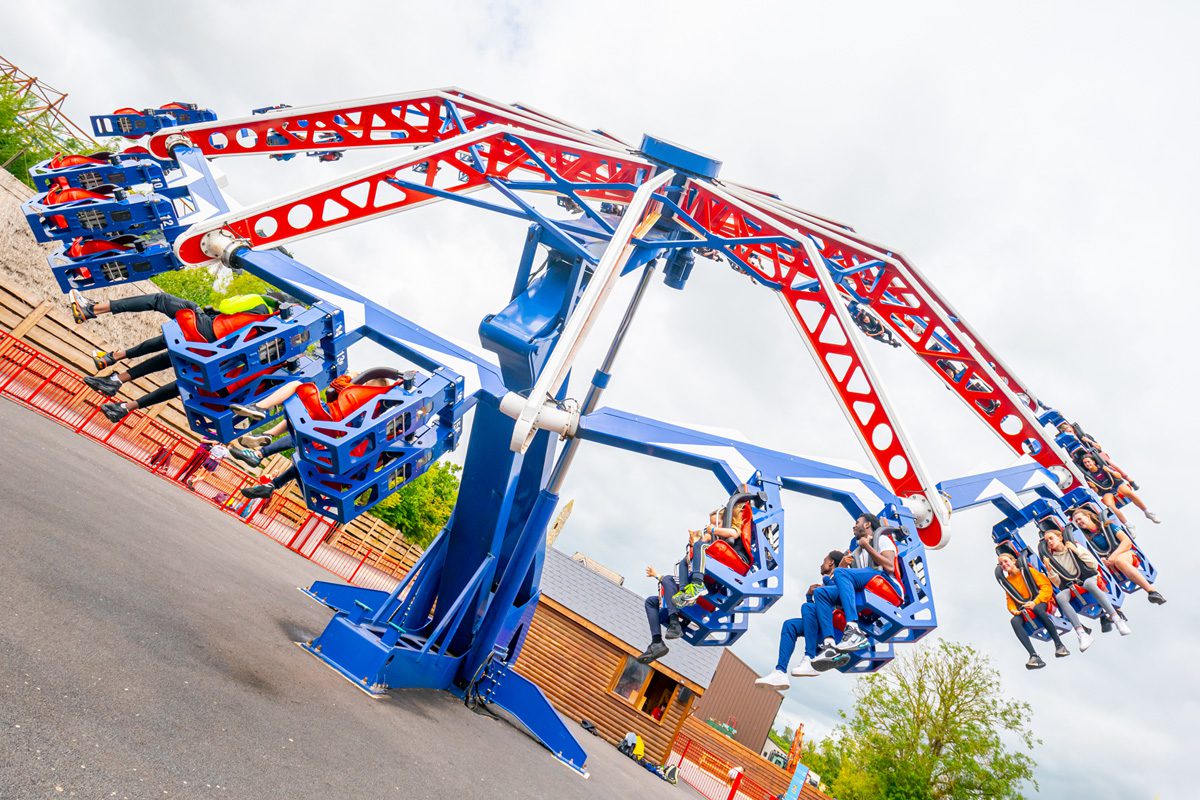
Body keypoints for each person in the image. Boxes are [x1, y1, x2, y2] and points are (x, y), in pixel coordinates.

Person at [237, 369, 405, 501]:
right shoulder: (375, 409)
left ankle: (259, 408)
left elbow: (335, 385)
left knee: (296, 386)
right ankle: (270, 475)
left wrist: (351, 375)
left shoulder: (360, 392)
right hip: (332, 431)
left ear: (368, 383)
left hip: (327, 416)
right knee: (302, 435)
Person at [811, 513, 903, 670]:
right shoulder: (857, 553)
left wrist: (867, 546)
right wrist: (841, 564)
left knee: (840, 573)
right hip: (865, 583)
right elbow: (842, 582)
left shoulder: (881, 539)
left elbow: (889, 566)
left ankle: (853, 629)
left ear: (867, 525)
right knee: (821, 594)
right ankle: (829, 645)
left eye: (857, 522)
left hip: (887, 583)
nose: (854, 526)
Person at [755, 550, 846, 689]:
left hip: (833, 629)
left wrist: (825, 581)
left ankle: (809, 656)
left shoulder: (838, 578)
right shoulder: (827, 584)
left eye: (823, 561)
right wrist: (809, 596)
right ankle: (780, 671)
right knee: (790, 625)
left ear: (831, 562)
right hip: (822, 625)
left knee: (807, 608)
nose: (821, 565)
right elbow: (815, 614)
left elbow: (836, 600)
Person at [1037, 522, 1128, 643]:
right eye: (1047, 541)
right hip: (1073, 585)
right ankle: (1081, 633)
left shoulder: (1075, 546)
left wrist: (1076, 551)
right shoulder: (1052, 559)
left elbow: (1093, 564)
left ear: (1060, 537)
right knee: (1060, 596)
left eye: (1051, 538)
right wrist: (1049, 570)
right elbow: (1058, 583)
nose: (1049, 542)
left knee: (1088, 584)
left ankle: (1116, 619)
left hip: (1090, 578)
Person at [1070, 506, 1165, 605]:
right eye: (1076, 522)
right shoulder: (1087, 541)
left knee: (1119, 560)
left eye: (1080, 519)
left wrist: (1113, 556)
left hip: (1126, 554)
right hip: (1109, 564)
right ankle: (1112, 610)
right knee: (1091, 577)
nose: (1079, 522)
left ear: (1088, 516)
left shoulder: (1108, 526)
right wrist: (1101, 560)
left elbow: (1127, 542)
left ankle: (1152, 592)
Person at [997, 550, 1069, 669]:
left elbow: (1046, 587)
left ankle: (1060, 645)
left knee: (1037, 609)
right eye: (1001, 564)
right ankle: (1034, 656)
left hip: (1043, 602)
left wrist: (1035, 602)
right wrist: (1014, 610)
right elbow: (1010, 600)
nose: (1004, 564)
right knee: (1014, 621)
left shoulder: (1028, 571)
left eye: (1006, 561)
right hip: (1025, 607)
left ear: (1014, 561)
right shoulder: (1007, 583)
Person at [1078, 454, 1158, 527]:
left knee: (1128, 492)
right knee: (1109, 505)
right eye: (1085, 463)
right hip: (1106, 491)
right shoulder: (1088, 476)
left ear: (1093, 461)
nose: (1087, 464)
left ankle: (1147, 512)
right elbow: (1096, 491)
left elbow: (1118, 476)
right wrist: (1093, 486)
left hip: (1116, 484)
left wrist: (1110, 471)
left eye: (1088, 462)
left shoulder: (1103, 466)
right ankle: (1128, 524)